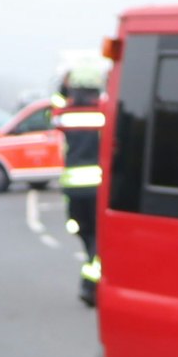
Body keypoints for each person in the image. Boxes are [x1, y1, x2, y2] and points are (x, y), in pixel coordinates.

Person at [55, 59, 108, 307]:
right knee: (97, 239)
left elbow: (52, 109)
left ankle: (91, 282)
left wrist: (62, 87)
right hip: (99, 189)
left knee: (86, 234)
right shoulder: (104, 111)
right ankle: (91, 283)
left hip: (74, 191)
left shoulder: (65, 114)